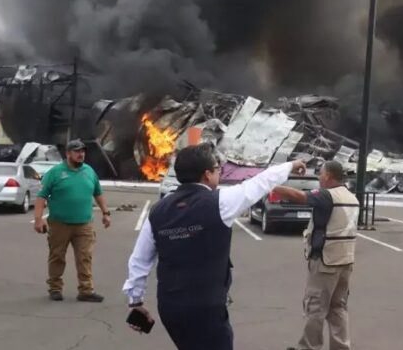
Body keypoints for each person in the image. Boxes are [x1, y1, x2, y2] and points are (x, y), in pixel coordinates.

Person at [122, 143, 306, 350]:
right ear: (207, 175)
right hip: (206, 307)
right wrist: (290, 165)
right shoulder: (221, 202)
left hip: (170, 306)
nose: (220, 174)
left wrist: (135, 301)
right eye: (218, 170)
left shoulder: (157, 211)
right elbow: (260, 183)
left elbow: (139, 260)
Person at [272, 160, 359, 350]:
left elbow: (299, 195)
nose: (319, 178)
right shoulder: (352, 197)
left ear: (328, 176)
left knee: (315, 308)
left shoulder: (328, 196)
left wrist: (270, 184)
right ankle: (341, 347)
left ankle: (309, 347)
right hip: (345, 261)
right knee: (338, 308)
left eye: (320, 174)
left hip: (326, 262)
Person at [33, 139, 111, 303]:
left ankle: (86, 290)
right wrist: (38, 219)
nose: (81, 154)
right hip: (60, 224)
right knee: (57, 256)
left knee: (85, 257)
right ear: (68, 154)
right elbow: (41, 197)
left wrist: (105, 212)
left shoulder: (89, 171)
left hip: (84, 225)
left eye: (82, 151)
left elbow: (98, 193)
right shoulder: (54, 173)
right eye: (77, 151)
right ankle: (55, 288)